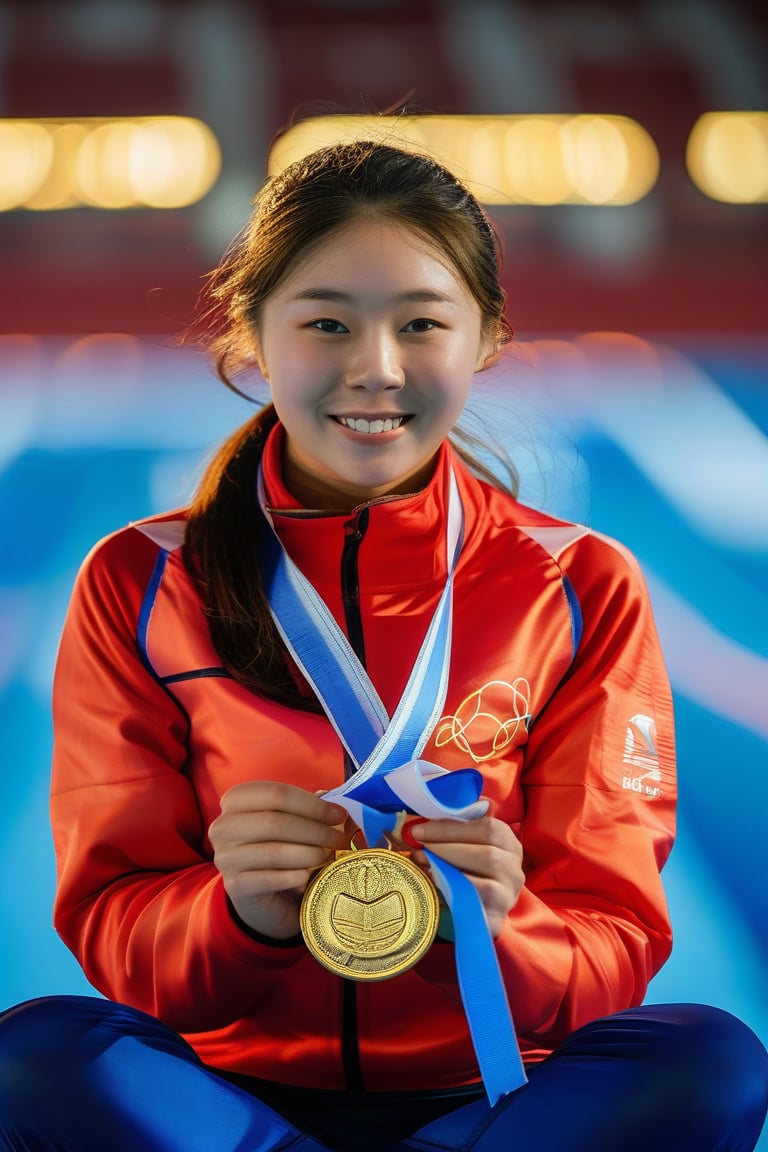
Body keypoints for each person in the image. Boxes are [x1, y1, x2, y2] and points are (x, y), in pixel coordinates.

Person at [0, 139, 766, 1152]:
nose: (377, 368)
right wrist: (234, 916)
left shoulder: (578, 584)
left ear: (485, 336)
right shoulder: (141, 579)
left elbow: (613, 940)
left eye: (421, 324)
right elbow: (112, 925)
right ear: (256, 335)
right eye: (326, 323)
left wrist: (505, 925)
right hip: (229, 1094)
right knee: (35, 1054)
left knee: (711, 1060)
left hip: (486, 1092)